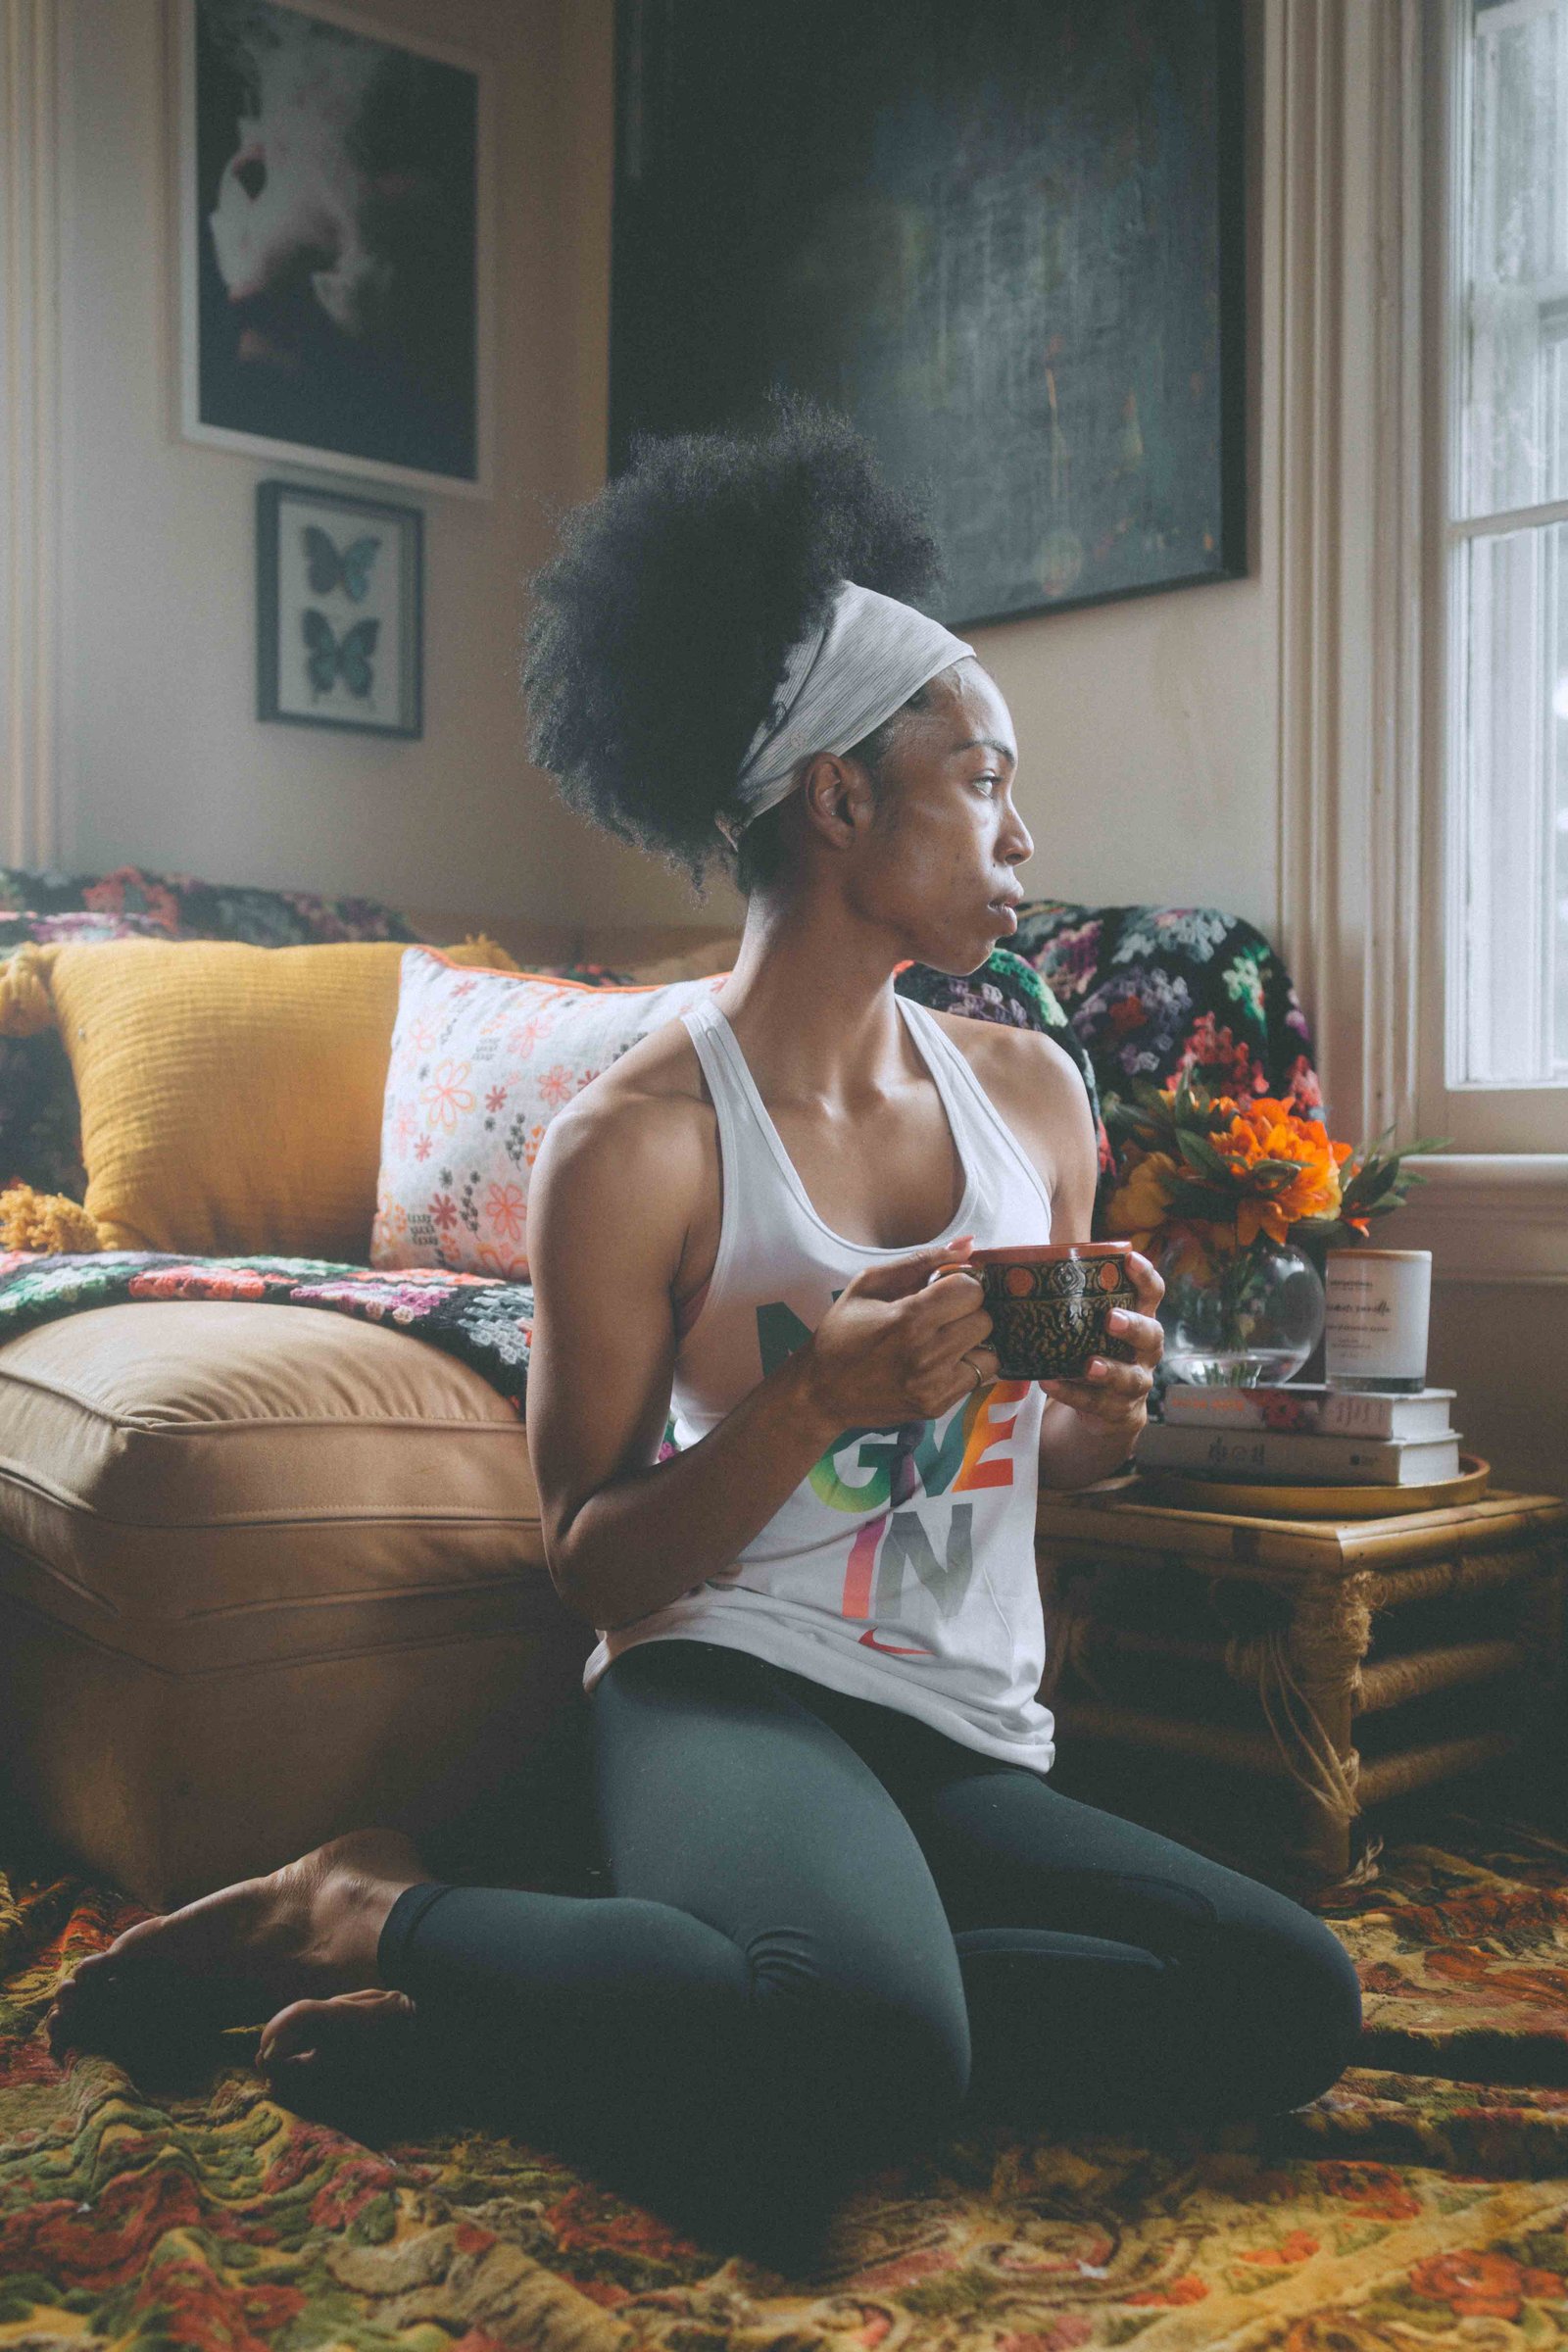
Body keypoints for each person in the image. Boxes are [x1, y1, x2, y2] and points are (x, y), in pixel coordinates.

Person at [44, 399, 1361, 2274]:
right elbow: (595, 1569)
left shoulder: (1037, 1099)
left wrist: (1107, 1424)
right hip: (725, 1692)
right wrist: (814, 1398)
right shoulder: (638, 1145)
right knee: (882, 2050)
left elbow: (1046, 1460)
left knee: (1292, 2002)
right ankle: (360, 1910)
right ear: (841, 799)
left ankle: (569, 2020)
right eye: (982, 779)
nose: (1025, 833)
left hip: (963, 1724)